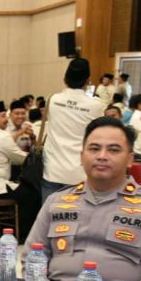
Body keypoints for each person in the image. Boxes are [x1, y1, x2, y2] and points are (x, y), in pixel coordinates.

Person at [24, 116, 141, 281]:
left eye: (113, 150)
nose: (102, 156)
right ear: (81, 156)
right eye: (94, 149)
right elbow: (31, 258)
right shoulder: (56, 201)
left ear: (130, 159)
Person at [41, 57, 104, 201]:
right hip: (80, 172)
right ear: (87, 81)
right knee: (80, 215)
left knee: (51, 213)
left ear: (65, 78)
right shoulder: (95, 105)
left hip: (53, 169)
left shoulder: (52, 99)